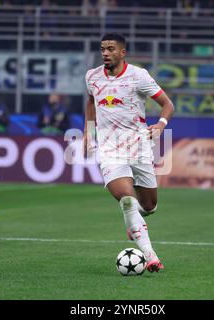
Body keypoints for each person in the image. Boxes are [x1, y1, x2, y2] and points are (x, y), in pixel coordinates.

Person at [84, 33, 175, 273]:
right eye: (103, 48)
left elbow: (168, 105)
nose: (105, 53)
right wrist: (88, 133)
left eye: (110, 49)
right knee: (126, 200)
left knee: (149, 205)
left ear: (122, 53)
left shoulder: (138, 77)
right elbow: (91, 102)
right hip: (110, 150)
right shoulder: (92, 77)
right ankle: (151, 256)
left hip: (140, 147)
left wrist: (160, 125)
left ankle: (136, 221)